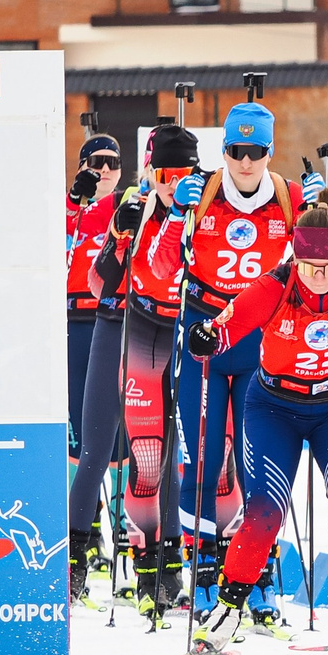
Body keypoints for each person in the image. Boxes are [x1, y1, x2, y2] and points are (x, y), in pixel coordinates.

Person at [189, 205, 328, 638]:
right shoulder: (272, 286)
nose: (318, 276)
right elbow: (220, 334)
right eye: (309, 267)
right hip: (275, 408)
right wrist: (204, 337)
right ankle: (229, 606)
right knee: (264, 510)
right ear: (294, 258)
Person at [177, 102, 300, 588]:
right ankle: (203, 565)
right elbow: (165, 265)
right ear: (223, 150)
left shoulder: (288, 199)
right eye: (235, 150)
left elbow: (326, 264)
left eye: (256, 151)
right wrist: (169, 209)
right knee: (203, 459)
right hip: (206, 336)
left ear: (270, 152)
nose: (245, 162)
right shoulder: (202, 194)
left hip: (257, 338)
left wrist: (319, 218)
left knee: (258, 466)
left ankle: (257, 571)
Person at [81, 123, 203, 605]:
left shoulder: (206, 201)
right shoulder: (132, 204)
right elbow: (99, 279)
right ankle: (119, 558)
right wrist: (118, 231)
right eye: (163, 172)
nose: (172, 182)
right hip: (126, 327)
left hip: (185, 332)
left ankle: (179, 567)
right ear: (150, 170)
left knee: (184, 455)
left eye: (183, 173)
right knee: (128, 452)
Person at [65, 133, 124, 458]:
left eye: (111, 162)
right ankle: (85, 502)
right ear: (81, 167)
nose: (103, 169)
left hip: (115, 316)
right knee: (77, 411)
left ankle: (119, 496)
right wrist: (75, 200)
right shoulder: (68, 206)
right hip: (76, 319)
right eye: (95, 162)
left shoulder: (127, 206)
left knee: (119, 414)